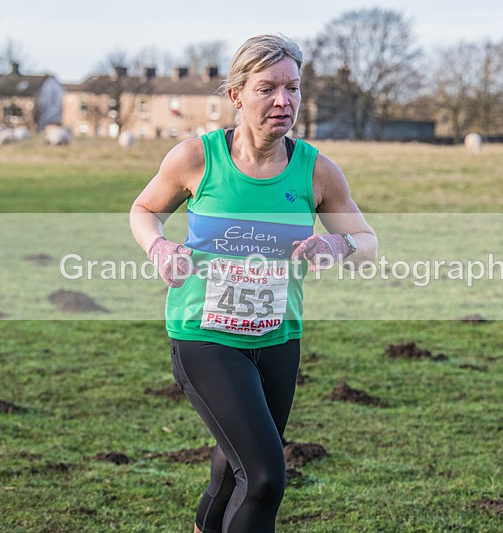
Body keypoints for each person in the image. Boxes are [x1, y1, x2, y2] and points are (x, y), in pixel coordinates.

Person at [130, 34, 377, 533]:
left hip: (278, 340)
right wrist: (159, 247)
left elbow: (368, 241)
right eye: (267, 88)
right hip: (205, 336)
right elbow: (144, 209)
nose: (283, 101)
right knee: (264, 477)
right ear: (236, 95)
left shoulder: (316, 170)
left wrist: (338, 245)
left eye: (293, 88)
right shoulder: (196, 158)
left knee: (230, 474)